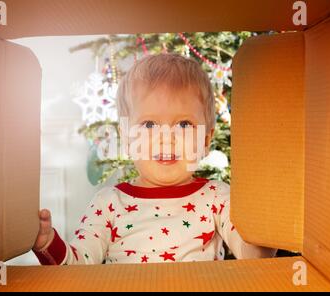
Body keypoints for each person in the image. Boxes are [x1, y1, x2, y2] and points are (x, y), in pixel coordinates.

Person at [32, 53, 276, 265]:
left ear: (205, 139)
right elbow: (77, 268)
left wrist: (269, 228)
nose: (166, 139)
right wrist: (48, 244)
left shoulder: (217, 196)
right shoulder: (109, 203)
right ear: (127, 138)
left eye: (183, 124)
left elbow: (252, 258)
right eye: (149, 124)